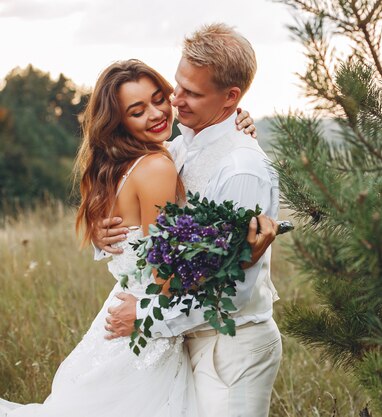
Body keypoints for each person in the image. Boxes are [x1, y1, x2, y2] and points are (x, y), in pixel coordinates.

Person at [0, 60, 260, 417]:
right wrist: (234, 256)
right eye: (138, 111)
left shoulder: (118, 167)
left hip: (120, 318)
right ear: (119, 121)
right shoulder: (156, 167)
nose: (156, 114)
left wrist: (236, 123)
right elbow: (163, 277)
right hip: (145, 326)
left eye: (159, 99)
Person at [103, 24, 282, 417]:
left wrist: (147, 314)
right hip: (184, 342)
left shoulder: (241, 170)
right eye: (178, 85)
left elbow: (231, 289)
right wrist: (110, 234)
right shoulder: (180, 146)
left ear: (230, 97)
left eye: (193, 93)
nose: (175, 100)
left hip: (231, 349)